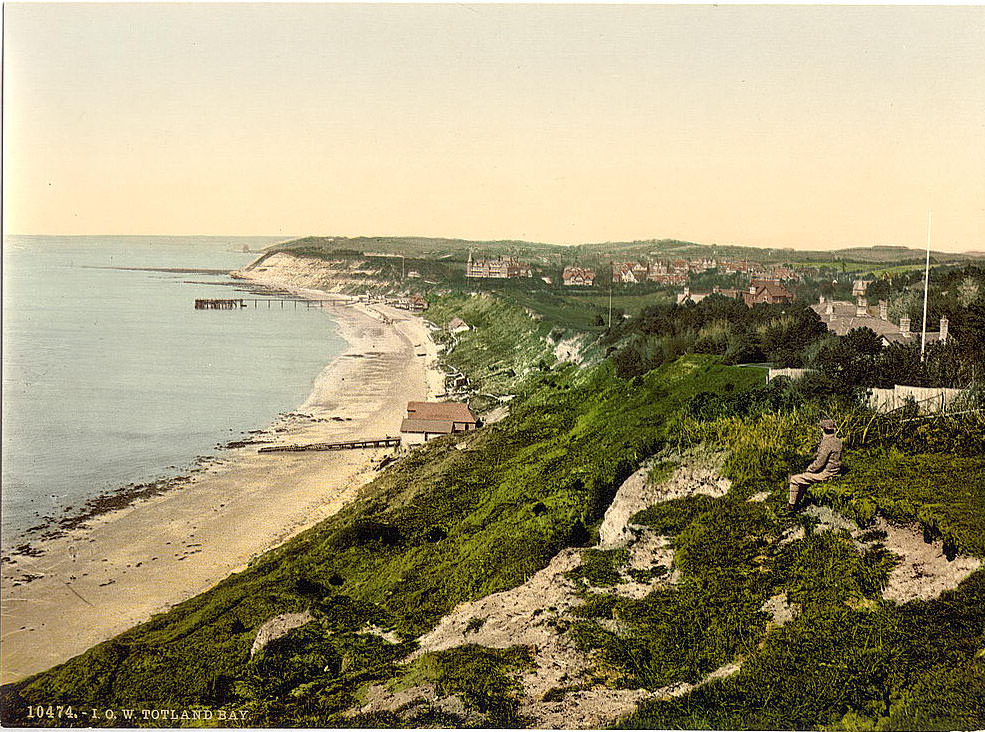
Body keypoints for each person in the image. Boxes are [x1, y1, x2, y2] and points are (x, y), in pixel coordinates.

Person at [787, 418, 842, 512]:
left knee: (794, 479)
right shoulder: (838, 441)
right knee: (803, 478)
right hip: (835, 471)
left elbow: (820, 463)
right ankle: (798, 502)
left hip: (826, 474)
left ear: (822, 429)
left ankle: (791, 507)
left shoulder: (826, 443)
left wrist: (809, 469)